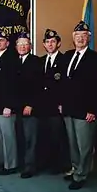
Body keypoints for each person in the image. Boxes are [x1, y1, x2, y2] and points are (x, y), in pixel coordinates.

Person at [61, 21, 97, 190]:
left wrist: (93, 110)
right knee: (72, 143)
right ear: (73, 38)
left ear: (89, 38)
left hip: (85, 110)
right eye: (77, 36)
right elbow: (64, 83)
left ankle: (81, 175)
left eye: (83, 36)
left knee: (84, 145)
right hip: (69, 109)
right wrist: (61, 104)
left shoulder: (96, 58)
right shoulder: (68, 55)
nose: (80, 39)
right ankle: (75, 169)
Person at [0, 31, 18, 175]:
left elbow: (13, 85)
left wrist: (9, 105)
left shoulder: (11, 58)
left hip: (5, 106)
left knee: (8, 136)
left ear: (7, 43)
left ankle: (10, 165)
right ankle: (1, 162)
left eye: (2, 40)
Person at [37, 29, 66, 174]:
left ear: (58, 43)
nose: (50, 44)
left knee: (57, 136)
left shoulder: (65, 60)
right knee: (43, 135)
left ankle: (57, 165)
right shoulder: (40, 61)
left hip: (56, 106)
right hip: (42, 106)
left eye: (53, 41)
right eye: (47, 42)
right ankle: (45, 163)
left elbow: (66, 85)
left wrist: (62, 102)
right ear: (43, 44)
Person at [15, 32, 41, 178]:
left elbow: (38, 86)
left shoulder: (35, 61)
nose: (22, 46)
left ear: (30, 46)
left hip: (29, 107)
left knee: (30, 138)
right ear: (16, 46)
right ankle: (23, 164)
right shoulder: (15, 61)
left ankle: (30, 167)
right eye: (20, 44)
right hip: (17, 107)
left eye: (25, 44)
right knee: (21, 137)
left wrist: (30, 104)